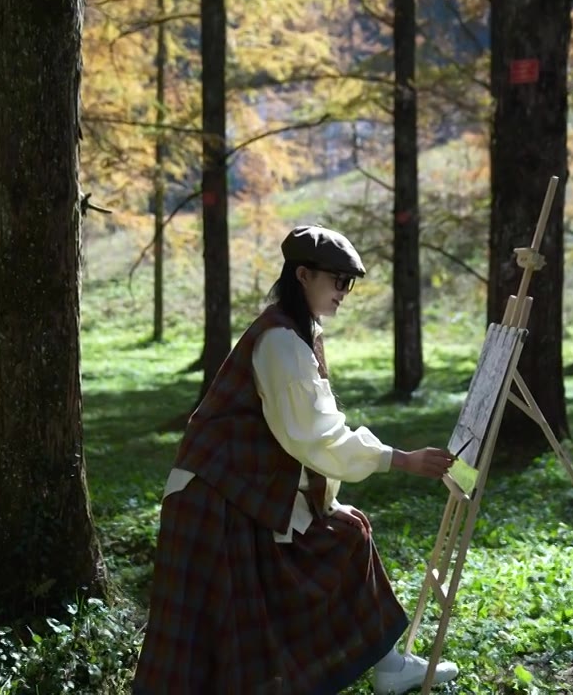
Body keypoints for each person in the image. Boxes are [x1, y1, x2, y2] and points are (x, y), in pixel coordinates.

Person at [132, 225, 462, 694]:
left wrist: (326, 498)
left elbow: (303, 437)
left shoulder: (293, 331)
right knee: (206, 649)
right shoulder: (282, 342)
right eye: (338, 281)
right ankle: (384, 665)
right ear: (303, 275)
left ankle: (387, 664)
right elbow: (316, 436)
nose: (344, 294)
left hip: (243, 493)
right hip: (215, 500)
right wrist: (401, 459)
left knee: (347, 533)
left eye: (350, 284)